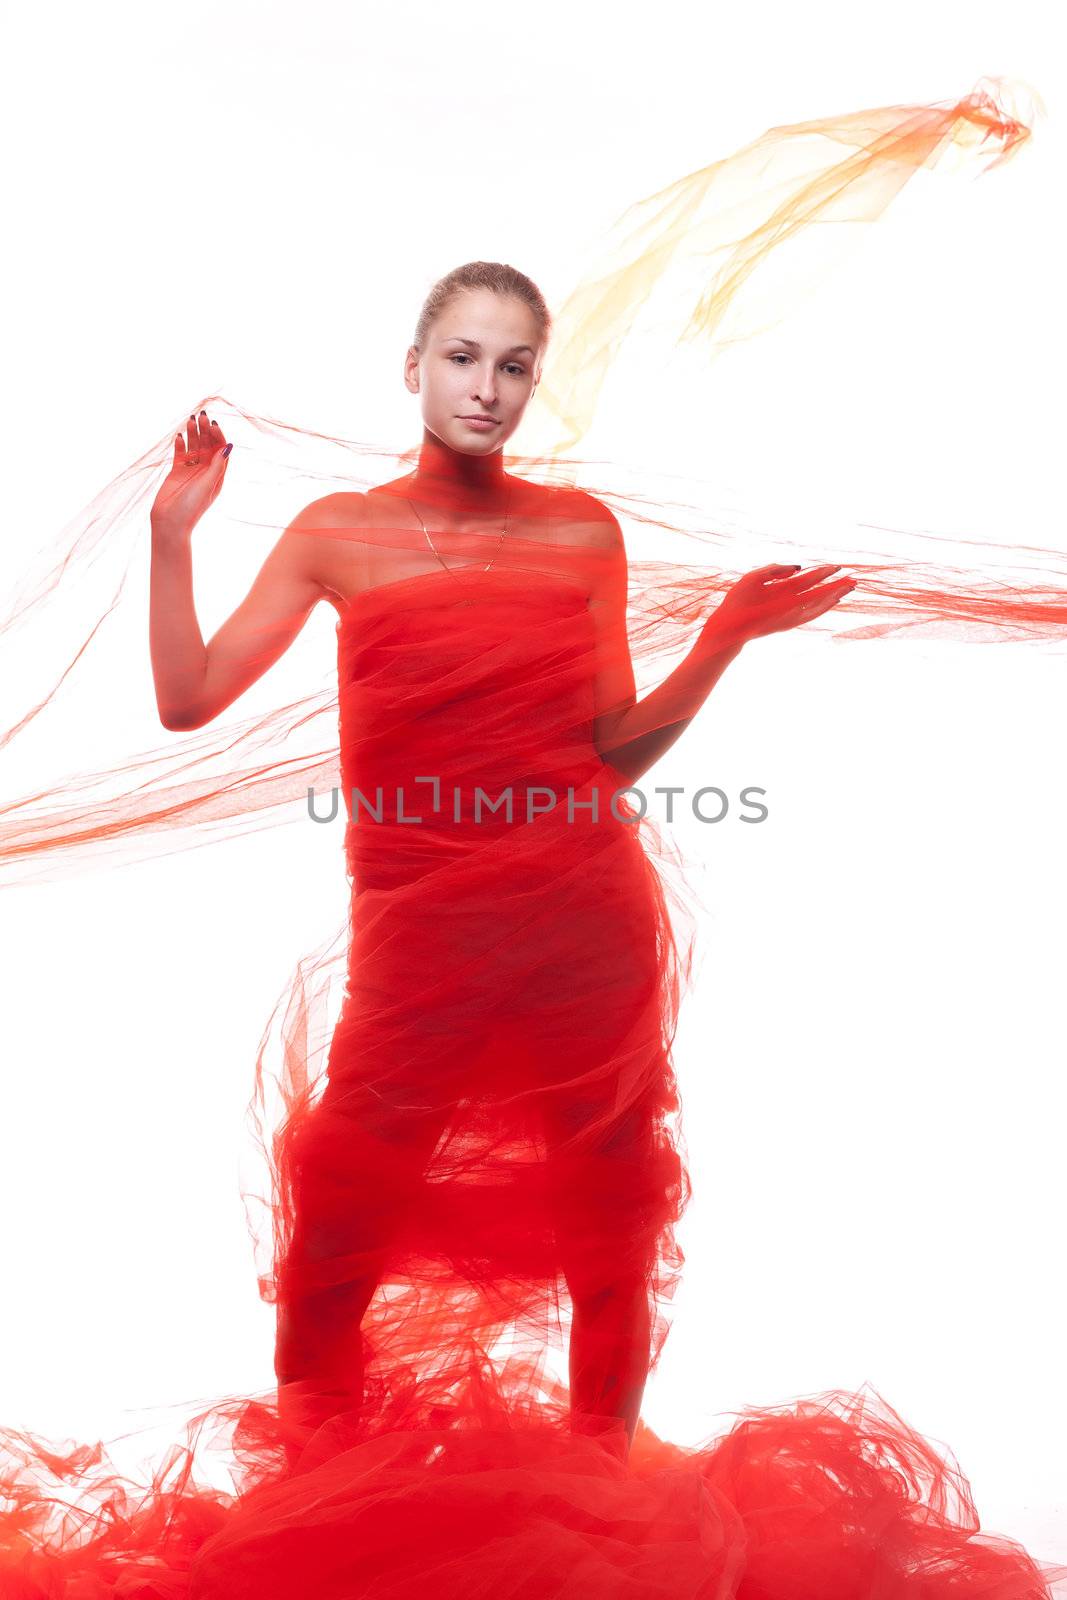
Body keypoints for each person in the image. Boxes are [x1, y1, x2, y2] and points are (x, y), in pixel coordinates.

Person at [148, 263, 856, 1461]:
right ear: (413, 368)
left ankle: (601, 1518)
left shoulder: (580, 530)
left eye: (514, 365)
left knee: (608, 1236)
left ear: (535, 380)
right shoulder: (342, 533)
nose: (488, 388)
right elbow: (188, 698)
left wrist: (722, 639)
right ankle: (316, 1520)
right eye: (464, 358)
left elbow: (611, 750)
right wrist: (173, 534)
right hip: (417, 941)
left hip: (582, 920)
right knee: (335, 1239)